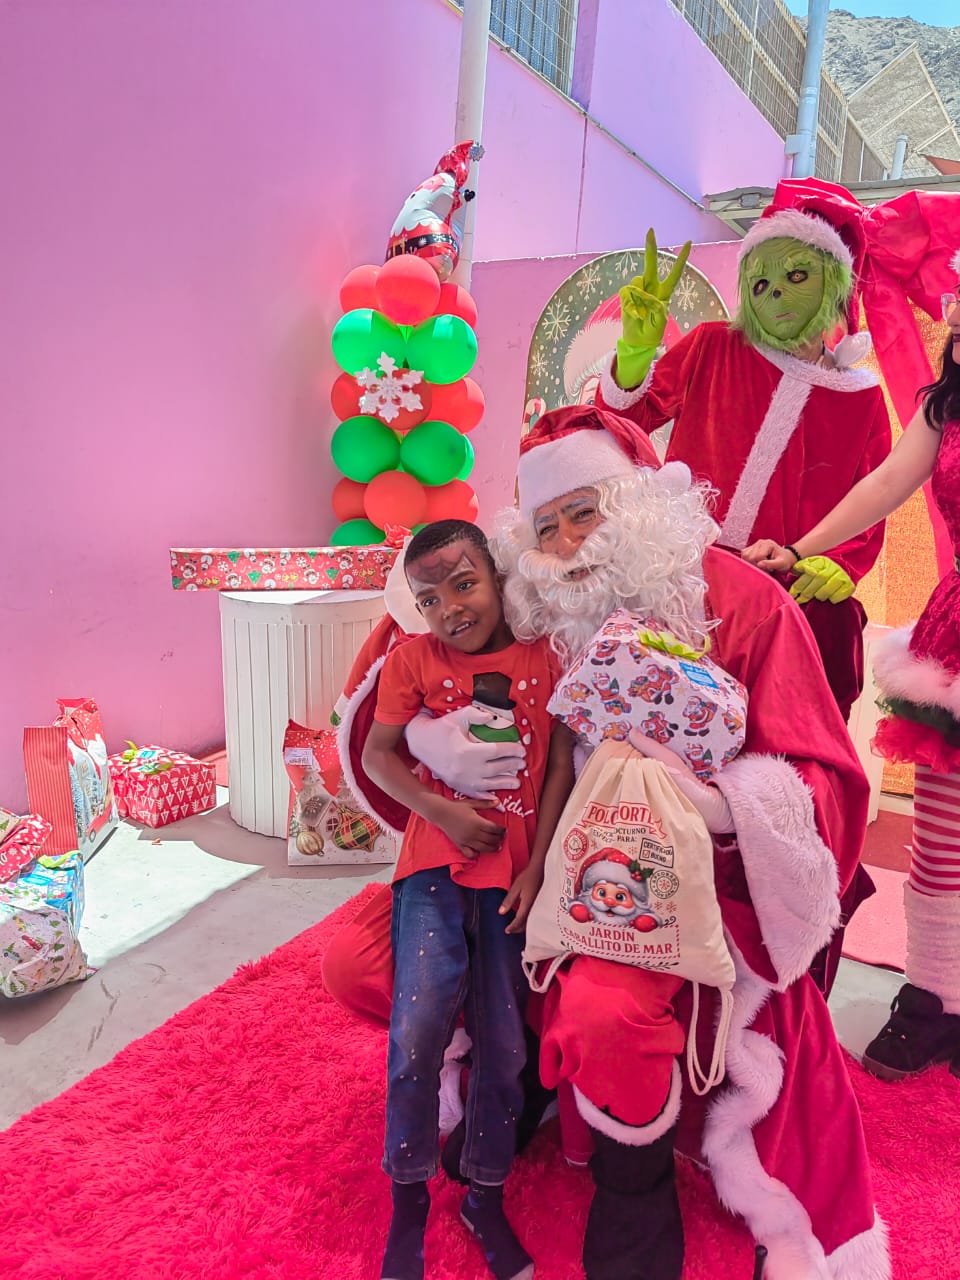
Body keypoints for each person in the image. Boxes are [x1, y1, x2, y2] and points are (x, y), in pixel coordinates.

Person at [327, 407, 890, 1280]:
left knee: (604, 1010)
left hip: (667, 889)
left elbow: (822, 778)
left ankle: (634, 1195)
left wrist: (719, 805)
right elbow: (400, 658)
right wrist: (428, 745)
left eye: (583, 513)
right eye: (545, 526)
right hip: (517, 860)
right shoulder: (527, 601)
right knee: (365, 963)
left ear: (638, 507)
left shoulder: (740, 602)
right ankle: (521, 1083)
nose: (565, 545)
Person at [743, 252, 960, 1084]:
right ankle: (932, 1000)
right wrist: (800, 548)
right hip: (956, 636)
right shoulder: (945, 406)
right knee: (941, 840)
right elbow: (885, 484)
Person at [361, 518, 575, 1280]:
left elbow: (560, 767)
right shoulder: (412, 661)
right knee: (417, 1027)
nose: (450, 609)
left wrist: (538, 868)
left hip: (511, 883)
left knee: (505, 1043)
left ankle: (484, 1194)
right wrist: (444, 812)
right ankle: (408, 1201)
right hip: (432, 872)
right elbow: (376, 755)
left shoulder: (547, 657)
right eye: (430, 599)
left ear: (495, 576)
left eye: (463, 584)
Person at [595, 184, 891, 726]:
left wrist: (836, 562)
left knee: (773, 734)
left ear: (834, 283)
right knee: (667, 724)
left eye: (796, 276)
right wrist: (634, 353)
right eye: (761, 283)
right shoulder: (714, 345)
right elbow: (624, 423)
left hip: (785, 599)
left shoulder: (860, 396)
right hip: (685, 580)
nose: (775, 293)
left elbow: (872, 497)